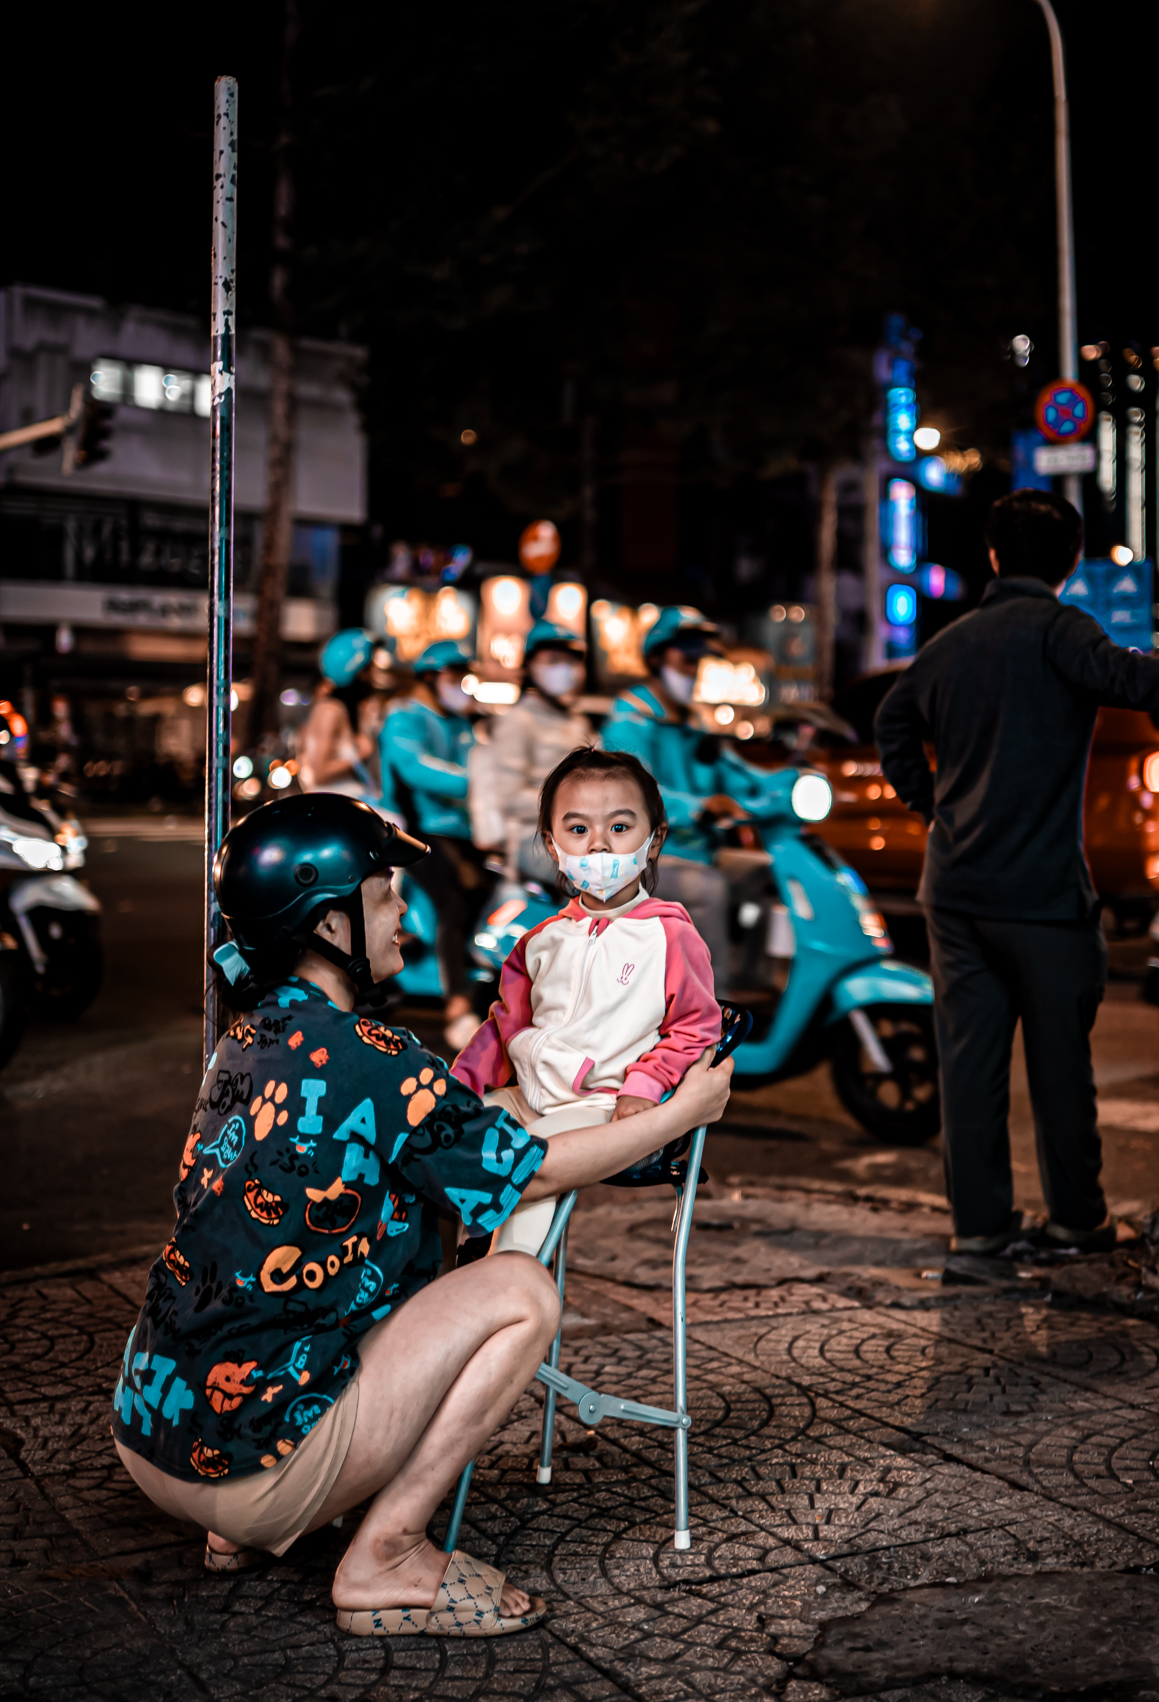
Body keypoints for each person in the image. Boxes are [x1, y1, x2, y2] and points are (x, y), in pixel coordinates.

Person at [110, 793, 731, 1638]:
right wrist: (681, 1112)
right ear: (330, 926)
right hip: (251, 1473)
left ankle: (238, 1533)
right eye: (385, 893)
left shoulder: (246, 1038)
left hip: (152, 1435)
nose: (406, 909)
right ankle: (387, 1556)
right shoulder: (377, 1060)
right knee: (519, 1292)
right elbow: (532, 1173)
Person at [873, 489, 1159, 1258]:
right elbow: (1138, 680)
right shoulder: (1060, 631)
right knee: (1059, 1069)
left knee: (969, 1070)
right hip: (1041, 896)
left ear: (990, 556)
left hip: (954, 894)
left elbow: (891, 722)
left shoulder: (951, 644)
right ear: (1070, 561)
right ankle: (1075, 1220)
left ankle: (978, 1229)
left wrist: (933, 808)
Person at [454, 746, 722, 1254]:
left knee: (528, 1166)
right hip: (530, 1097)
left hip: (604, 1106)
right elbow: (502, 1029)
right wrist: (458, 1087)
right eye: (578, 831)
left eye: (619, 828)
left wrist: (644, 1086)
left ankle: (506, 1274)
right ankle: (451, 1271)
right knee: (447, 1139)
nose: (598, 846)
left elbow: (695, 1027)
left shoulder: (670, 937)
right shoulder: (539, 941)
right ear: (554, 848)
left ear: (655, 838)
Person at [601, 606, 750, 991]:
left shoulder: (694, 722)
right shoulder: (630, 719)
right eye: (685, 659)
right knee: (710, 890)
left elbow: (731, 771)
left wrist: (779, 785)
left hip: (697, 849)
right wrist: (700, 807)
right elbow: (634, 795)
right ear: (657, 657)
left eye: (698, 663)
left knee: (762, 876)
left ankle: (758, 986)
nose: (692, 671)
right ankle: (714, 1009)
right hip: (647, 855)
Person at [379, 639, 489, 1052]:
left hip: (462, 831)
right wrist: (476, 784)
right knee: (452, 901)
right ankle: (457, 1006)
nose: (461, 683)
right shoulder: (403, 717)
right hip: (415, 830)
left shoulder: (461, 722)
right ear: (429, 676)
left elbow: (480, 762)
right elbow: (414, 769)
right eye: (454, 675)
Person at [489, 620, 596, 887]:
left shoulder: (578, 722)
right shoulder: (518, 720)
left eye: (571, 662)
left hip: (582, 835)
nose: (564, 669)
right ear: (529, 666)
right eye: (553, 660)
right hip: (534, 838)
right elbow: (510, 797)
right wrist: (573, 810)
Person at [298, 630, 381, 798]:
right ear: (356, 670)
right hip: (335, 811)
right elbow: (319, 774)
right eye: (370, 667)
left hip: (350, 806)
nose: (375, 674)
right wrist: (359, 758)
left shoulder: (349, 710)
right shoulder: (330, 709)